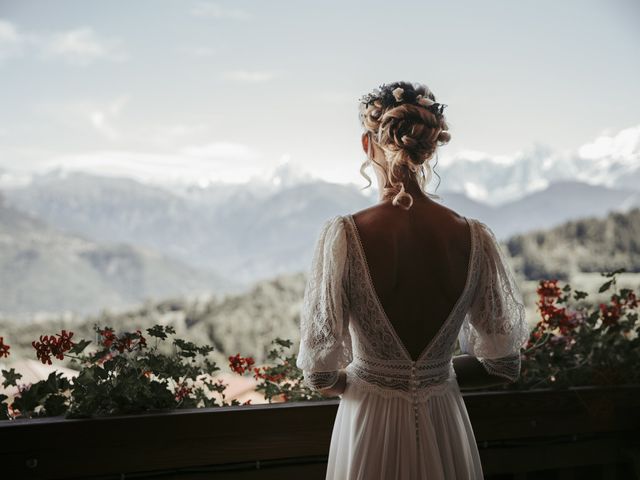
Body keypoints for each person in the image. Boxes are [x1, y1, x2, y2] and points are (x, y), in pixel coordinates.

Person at [295, 81, 531, 479]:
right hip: (444, 421)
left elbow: (319, 374)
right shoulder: (473, 236)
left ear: (368, 146)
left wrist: (371, 376)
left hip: (369, 422)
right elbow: (504, 363)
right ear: (431, 148)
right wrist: (433, 373)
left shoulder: (345, 237)